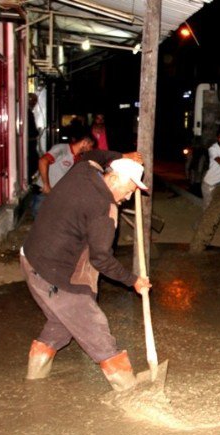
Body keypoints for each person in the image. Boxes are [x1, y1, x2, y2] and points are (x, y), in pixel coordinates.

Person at [20, 157, 152, 392]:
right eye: (129, 190)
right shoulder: (104, 209)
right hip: (55, 274)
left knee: (61, 322)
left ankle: (35, 378)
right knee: (93, 325)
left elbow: (97, 154)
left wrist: (125, 155)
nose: (129, 198)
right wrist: (134, 281)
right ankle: (129, 389)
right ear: (113, 178)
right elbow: (101, 258)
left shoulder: (84, 170)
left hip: (30, 258)